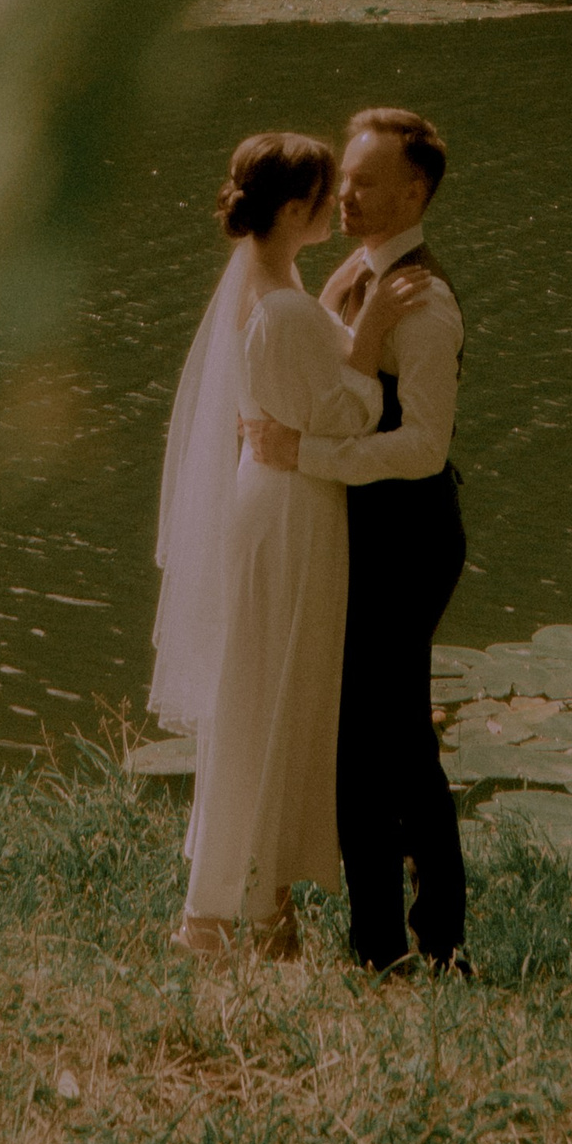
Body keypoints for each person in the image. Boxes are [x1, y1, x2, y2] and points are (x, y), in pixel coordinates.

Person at [149, 130, 408, 957]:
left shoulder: (267, 281)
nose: (340, 203)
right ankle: (248, 909)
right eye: (328, 193)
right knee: (275, 690)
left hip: (266, 497)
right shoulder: (287, 304)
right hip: (295, 508)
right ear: (296, 209)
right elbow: (342, 410)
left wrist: (333, 306)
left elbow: (288, 368)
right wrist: (367, 341)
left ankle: (237, 901)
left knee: (255, 686)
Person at [246, 105, 468, 976]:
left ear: (414, 192)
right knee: (359, 740)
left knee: (396, 745)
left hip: (408, 542)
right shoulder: (358, 275)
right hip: (356, 535)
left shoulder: (426, 302)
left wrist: (309, 454)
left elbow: (425, 447)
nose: (346, 193)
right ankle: (379, 943)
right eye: (345, 179)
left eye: (367, 181)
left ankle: (433, 943)